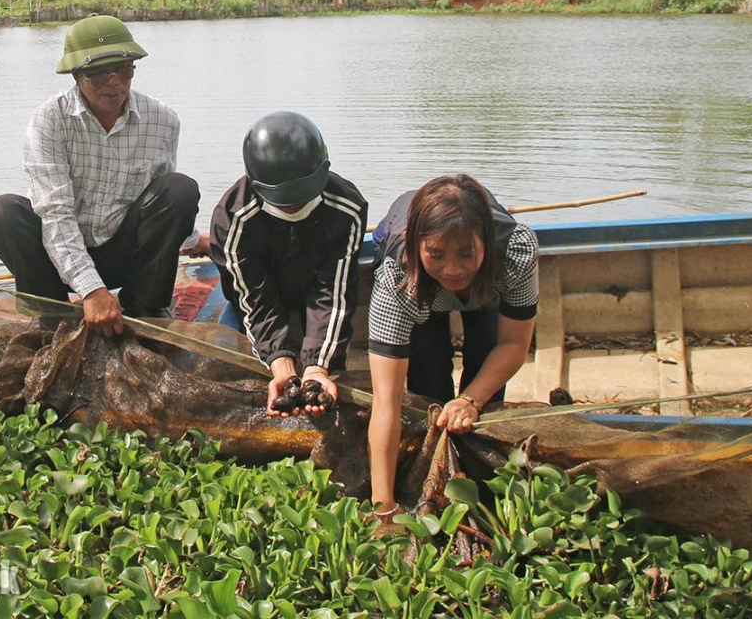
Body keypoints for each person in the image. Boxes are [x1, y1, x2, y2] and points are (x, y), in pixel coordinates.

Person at [0, 14, 204, 337]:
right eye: (98, 74)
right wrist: (91, 291)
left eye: (123, 69)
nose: (113, 82)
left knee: (180, 188)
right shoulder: (50, 120)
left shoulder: (163, 120)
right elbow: (55, 212)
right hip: (58, 258)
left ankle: (144, 305)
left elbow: (161, 202)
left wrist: (196, 240)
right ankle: (53, 313)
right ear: (76, 75)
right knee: (3, 213)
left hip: (122, 253)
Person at [365, 174, 539, 521]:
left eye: (465, 253)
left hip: (486, 285)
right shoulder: (398, 279)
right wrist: (383, 506)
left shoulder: (515, 254)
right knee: (429, 385)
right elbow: (387, 399)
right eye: (437, 254)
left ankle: (475, 471)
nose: (452, 268)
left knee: (485, 386)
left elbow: (513, 343)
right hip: (421, 290)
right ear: (418, 248)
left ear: (486, 242)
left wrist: (469, 401)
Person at [208, 111, 368, 416]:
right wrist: (281, 365)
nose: (295, 205)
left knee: (326, 370)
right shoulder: (232, 221)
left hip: (315, 289)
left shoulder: (348, 208)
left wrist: (317, 369)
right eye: (286, 200)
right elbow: (255, 300)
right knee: (243, 361)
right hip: (260, 296)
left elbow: (332, 293)